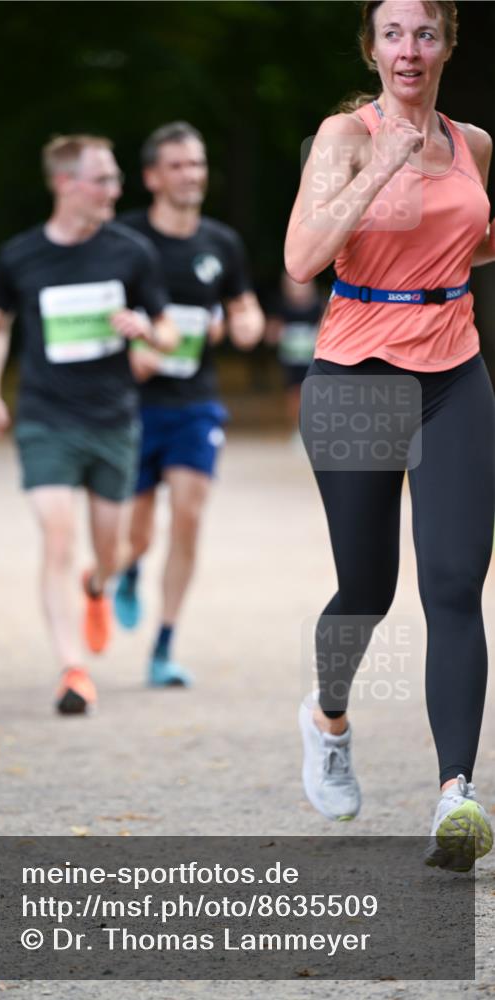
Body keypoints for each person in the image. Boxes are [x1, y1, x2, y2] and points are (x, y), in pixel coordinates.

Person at [285, 0, 494, 871]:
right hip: (355, 377)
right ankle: (327, 718)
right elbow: (301, 260)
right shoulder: (343, 136)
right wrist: (378, 173)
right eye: (393, 34)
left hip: (454, 375)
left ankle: (455, 795)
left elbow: (472, 240)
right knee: (366, 589)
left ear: (449, 43)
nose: (410, 50)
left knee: (453, 584)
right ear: (371, 49)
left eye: (426, 33)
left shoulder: (474, 143)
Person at [0, 134, 177, 715]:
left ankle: (98, 585)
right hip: (46, 418)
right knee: (57, 535)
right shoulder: (20, 256)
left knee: (111, 550)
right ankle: (73, 670)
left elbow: (166, 334)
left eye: (115, 178)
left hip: (113, 420)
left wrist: (143, 329)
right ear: (66, 183)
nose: (115, 189)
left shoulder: (131, 253)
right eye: (103, 179)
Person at [115, 121, 264, 687]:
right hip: (133, 404)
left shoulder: (220, 243)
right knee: (138, 531)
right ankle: (128, 569)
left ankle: (164, 645)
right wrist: (134, 350)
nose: (191, 175)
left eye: (197, 164)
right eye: (177, 165)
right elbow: (104, 310)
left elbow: (243, 306)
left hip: (195, 403)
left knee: (189, 515)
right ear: (152, 176)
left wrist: (246, 324)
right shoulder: (126, 238)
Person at [265, 272, 324, 440]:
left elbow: (326, 327)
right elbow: (271, 333)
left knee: (315, 394)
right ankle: (299, 429)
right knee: (294, 395)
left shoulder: (318, 306)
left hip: (312, 359)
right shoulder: (281, 307)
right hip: (291, 360)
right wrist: (277, 333)